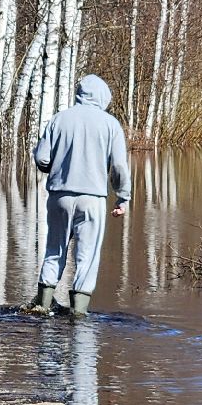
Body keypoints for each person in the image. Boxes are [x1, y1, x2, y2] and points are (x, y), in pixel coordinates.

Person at [24, 74, 131, 317]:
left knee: (55, 249)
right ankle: (78, 314)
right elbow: (119, 167)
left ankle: (41, 305)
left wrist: (57, 169)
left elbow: (41, 158)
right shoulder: (110, 124)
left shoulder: (59, 119)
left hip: (59, 196)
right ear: (104, 97)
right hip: (92, 198)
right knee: (87, 256)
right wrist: (122, 198)